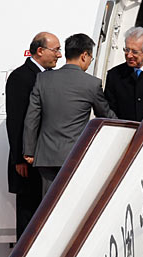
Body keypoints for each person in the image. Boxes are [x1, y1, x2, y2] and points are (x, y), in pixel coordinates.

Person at [23, 33, 117, 196]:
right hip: (75, 156)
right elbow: (106, 115)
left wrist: (29, 151)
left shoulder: (43, 79)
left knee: (49, 205)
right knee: (72, 203)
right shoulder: (91, 84)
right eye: (90, 58)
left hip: (46, 156)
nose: (89, 62)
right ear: (84, 55)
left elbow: (32, 117)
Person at [5, 32, 62, 240]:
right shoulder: (21, 77)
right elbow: (16, 121)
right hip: (27, 162)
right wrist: (20, 159)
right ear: (40, 51)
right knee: (28, 215)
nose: (59, 55)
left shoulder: (49, 77)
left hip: (46, 159)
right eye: (55, 50)